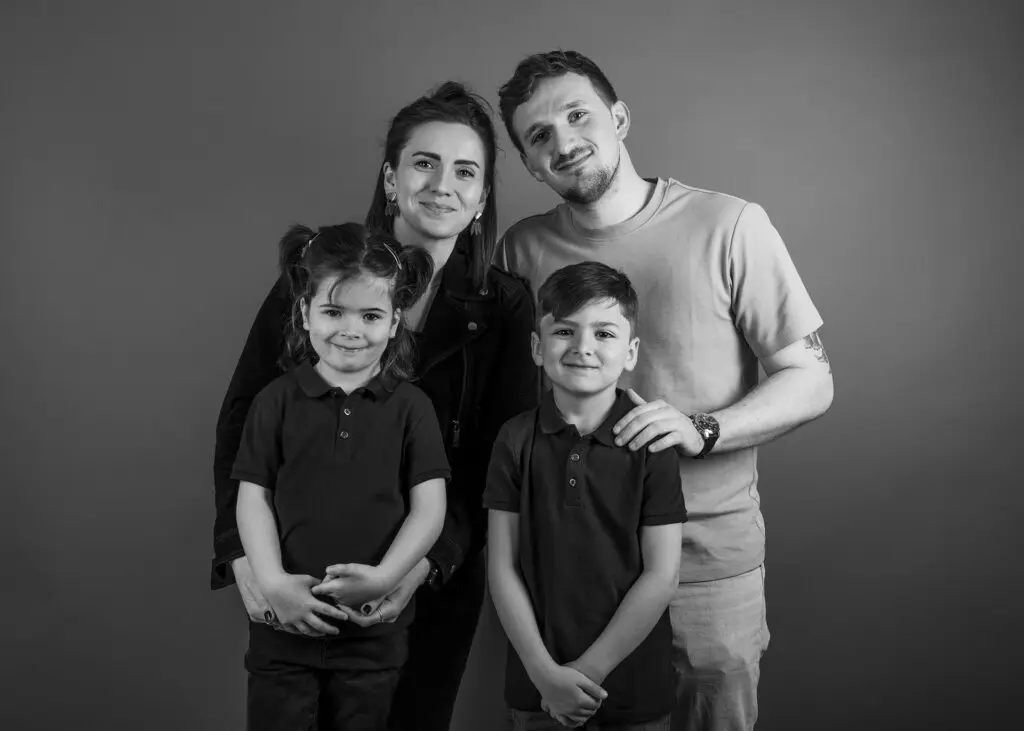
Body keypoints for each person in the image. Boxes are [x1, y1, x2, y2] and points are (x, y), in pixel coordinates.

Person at [495, 51, 835, 731]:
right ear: (530, 165)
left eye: (577, 114)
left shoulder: (729, 224)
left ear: (618, 118)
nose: (563, 141)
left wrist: (702, 428)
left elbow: (812, 379)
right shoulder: (519, 252)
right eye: (539, 136)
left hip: (705, 568)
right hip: (572, 578)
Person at [211, 82, 539, 731]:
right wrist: (244, 558)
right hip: (298, 577)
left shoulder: (504, 306)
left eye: (465, 171)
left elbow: (498, 463)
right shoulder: (316, 274)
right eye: (424, 162)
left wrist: (419, 566)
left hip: (429, 584)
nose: (443, 183)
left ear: (480, 200)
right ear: (391, 179)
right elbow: (243, 418)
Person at [234, 223, 448, 729]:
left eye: (371, 315)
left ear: (396, 322)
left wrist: (387, 576)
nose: (351, 330)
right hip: (283, 633)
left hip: (371, 637)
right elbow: (252, 498)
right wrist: (272, 583)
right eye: (333, 312)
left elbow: (430, 507)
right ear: (305, 312)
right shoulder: (276, 401)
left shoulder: (412, 408)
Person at [485, 262, 688, 730]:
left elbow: (662, 574)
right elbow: (501, 567)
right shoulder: (514, 440)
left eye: (604, 333)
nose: (583, 348)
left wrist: (586, 673)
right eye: (564, 331)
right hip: (538, 687)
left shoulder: (651, 446)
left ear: (631, 352)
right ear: (538, 347)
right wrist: (545, 675)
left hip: (632, 686)